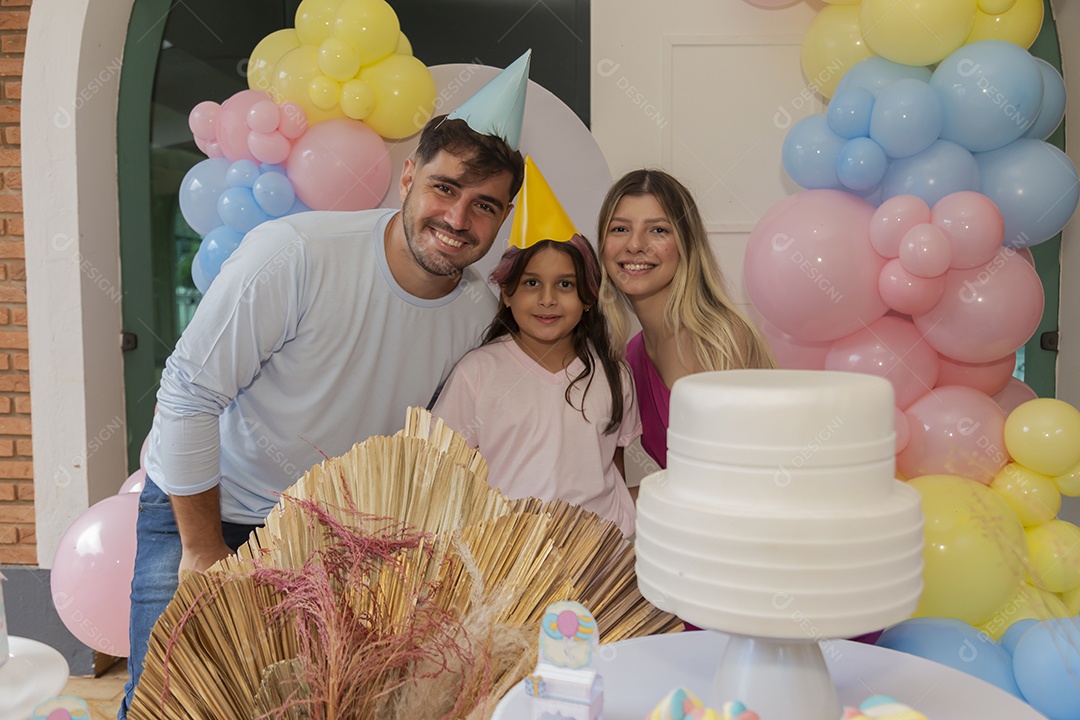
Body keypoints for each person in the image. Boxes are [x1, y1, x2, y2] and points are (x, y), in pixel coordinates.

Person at [119, 113, 525, 718]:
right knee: (169, 702)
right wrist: (203, 551)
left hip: (335, 540)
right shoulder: (297, 253)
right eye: (445, 188)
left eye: (485, 205)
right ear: (408, 177)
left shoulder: (480, 314)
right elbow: (187, 392)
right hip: (208, 508)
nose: (458, 219)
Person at [432, 159, 640, 538]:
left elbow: (612, 467)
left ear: (588, 298)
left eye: (564, 285)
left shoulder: (614, 375)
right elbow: (441, 477)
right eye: (531, 283)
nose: (548, 300)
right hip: (506, 562)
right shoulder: (477, 374)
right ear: (507, 293)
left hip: (600, 560)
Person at [597, 169, 775, 469]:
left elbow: (730, 479)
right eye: (620, 229)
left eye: (658, 230)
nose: (635, 245)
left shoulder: (720, 340)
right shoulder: (629, 357)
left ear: (686, 244)